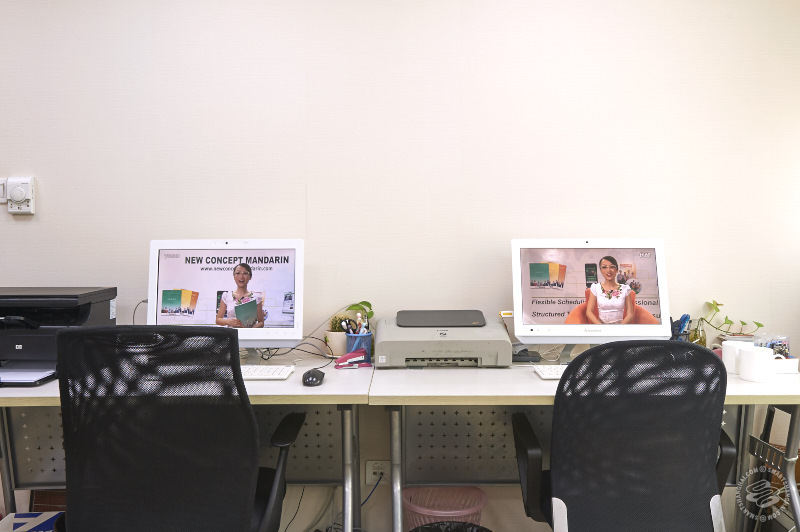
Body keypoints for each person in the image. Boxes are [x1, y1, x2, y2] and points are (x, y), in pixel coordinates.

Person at [586, 255, 634, 324]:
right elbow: (589, 312)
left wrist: (619, 328)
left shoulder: (625, 288)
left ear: (617, 270)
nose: (608, 270)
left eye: (612, 267)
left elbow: (630, 314)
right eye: (604, 267)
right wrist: (601, 327)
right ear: (601, 270)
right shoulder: (595, 287)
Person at [215, 263, 265, 328]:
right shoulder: (227, 296)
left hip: (248, 333)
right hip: (231, 333)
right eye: (238, 273)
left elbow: (261, 322)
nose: (241, 277)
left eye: (245, 273)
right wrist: (228, 321)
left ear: (250, 277)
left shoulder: (256, 297)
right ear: (234, 276)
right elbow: (218, 320)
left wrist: (251, 330)